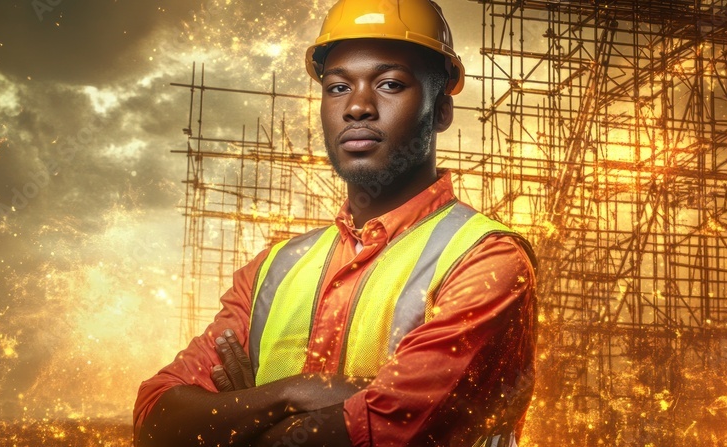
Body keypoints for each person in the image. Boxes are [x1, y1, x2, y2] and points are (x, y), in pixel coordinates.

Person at [133, 1, 538, 445]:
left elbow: (380, 431)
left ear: (441, 110)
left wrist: (241, 413)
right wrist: (291, 393)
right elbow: (157, 423)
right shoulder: (273, 271)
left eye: (389, 83)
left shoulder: (486, 261)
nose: (358, 107)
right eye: (338, 87)